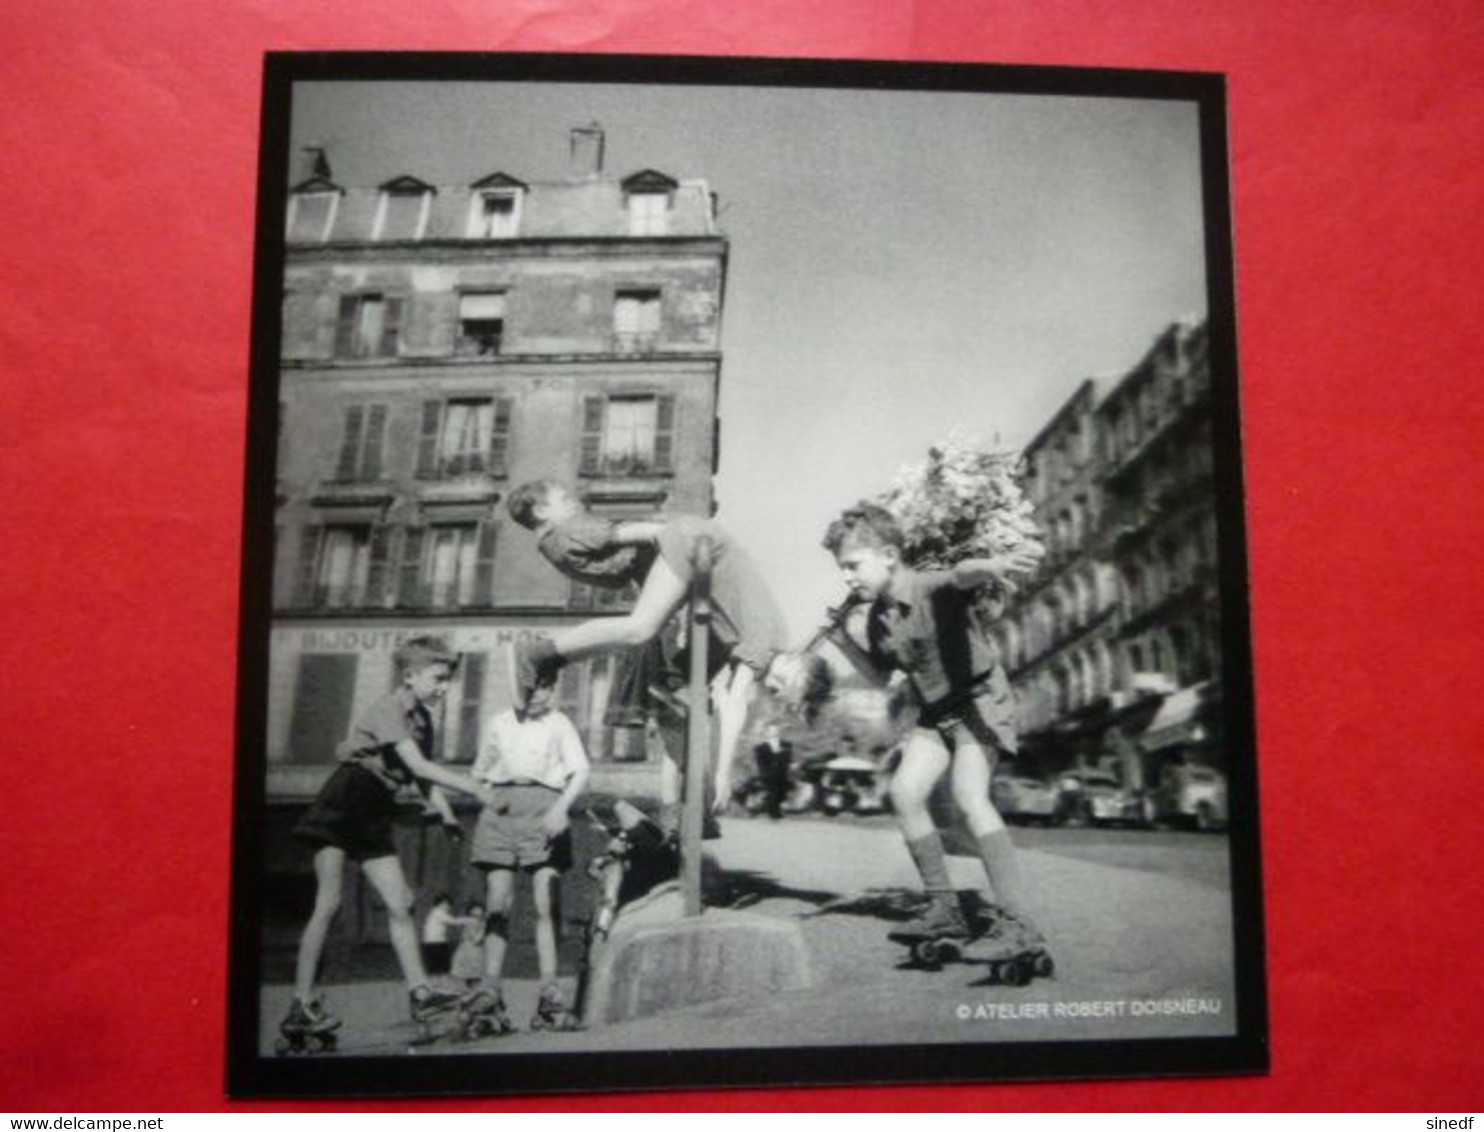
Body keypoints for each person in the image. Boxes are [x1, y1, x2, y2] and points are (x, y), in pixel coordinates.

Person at [505, 481, 829, 828]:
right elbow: (735, 703)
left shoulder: (767, 640)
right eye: (785, 691)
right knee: (641, 628)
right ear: (797, 668)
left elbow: (724, 695)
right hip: (697, 545)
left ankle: (680, 804)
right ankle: (540, 651)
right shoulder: (766, 642)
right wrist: (722, 775)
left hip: (700, 554)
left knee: (675, 693)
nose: (775, 692)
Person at [820, 503, 1048, 949]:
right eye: (841, 568)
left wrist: (996, 565)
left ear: (888, 554)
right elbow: (882, 677)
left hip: (980, 702)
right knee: (904, 793)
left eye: (853, 565)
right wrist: (845, 642)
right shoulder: (877, 616)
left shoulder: (928, 586)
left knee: (969, 795)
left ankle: (1019, 922)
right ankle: (946, 910)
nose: (847, 577)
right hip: (935, 711)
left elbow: (962, 574)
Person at [280, 636, 496, 1043]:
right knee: (328, 903)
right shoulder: (388, 709)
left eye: (448, 679)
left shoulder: (423, 721)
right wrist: (473, 787)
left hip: (374, 811)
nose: (445, 687)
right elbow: (417, 765)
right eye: (438, 678)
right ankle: (301, 1003)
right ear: (410, 675)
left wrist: (447, 815)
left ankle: (420, 994)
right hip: (344, 801)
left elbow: (420, 776)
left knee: (402, 903)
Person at [464, 673, 591, 1031]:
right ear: (516, 687)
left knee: (545, 903)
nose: (538, 694)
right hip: (501, 811)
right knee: (497, 903)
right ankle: (490, 989)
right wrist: (486, 796)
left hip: (545, 809)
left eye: (547, 686)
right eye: (530, 687)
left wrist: (561, 808)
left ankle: (549, 990)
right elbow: (478, 773)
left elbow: (580, 770)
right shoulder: (499, 723)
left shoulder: (559, 723)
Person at [752, 722, 794, 820]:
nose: (774, 732)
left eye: (776, 730)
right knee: (772, 791)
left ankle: (774, 809)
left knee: (781, 792)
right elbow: (760, 763)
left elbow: (788, 758)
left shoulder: (786, 744)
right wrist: (764, 774)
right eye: (771, 730)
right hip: (769, 773)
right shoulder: (760, 747)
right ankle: (773, 813)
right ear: (767, 732)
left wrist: (788, 764)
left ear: (779, 731)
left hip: (782, 772)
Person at [420, 892, 463, 978]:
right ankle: (440, 984)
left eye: (449, 905)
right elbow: (454, 921)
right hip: (436, 944)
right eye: (446, 904)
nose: (448, 907)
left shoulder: (434, 912)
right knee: (441, 967)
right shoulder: (438, 913)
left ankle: (437, 983)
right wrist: (469, 920)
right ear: (441, 903)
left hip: (432, 943)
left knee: (435, 968)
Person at [449, 899, 487, 991]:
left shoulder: (478, 924)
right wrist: (485, 929)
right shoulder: (471, 924)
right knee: (472, 980)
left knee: (473, 981)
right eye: (474, 916)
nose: (476, 919)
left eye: (480, 916)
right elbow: (476, 940)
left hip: (473, 955)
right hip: (469, 956)